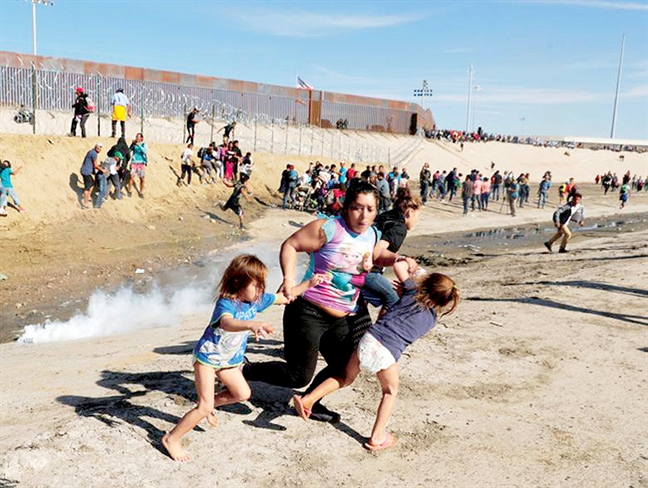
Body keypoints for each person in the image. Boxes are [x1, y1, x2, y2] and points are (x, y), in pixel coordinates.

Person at [243, 180, 417, 423]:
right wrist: (289, 280)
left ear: (377, 211)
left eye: (370, 209)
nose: (363, 215)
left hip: (342, 316)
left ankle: (311, 401)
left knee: (346, 367)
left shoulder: (373, 234)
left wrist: (399, 258)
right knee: (297, 375)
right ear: (346, 207)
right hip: (307, 311)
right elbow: (291, 245)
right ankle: (244, 370)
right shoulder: (329, 228)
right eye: (357, 207)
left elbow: (378, 255)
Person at [161, 254, 325, 462]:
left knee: (242, 393)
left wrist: (309, 284)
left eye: (262, 286)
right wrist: (251, 325)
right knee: (204, 406)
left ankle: (210, 405)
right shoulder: (226, 303)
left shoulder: (256, 300)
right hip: (207, 359)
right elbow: (227, 324)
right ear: (238, 282)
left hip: (229, 361)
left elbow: (285, 298)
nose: (260, 292)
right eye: (256, 286)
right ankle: (172, 438)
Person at [292, 262, 459, 452]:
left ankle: (308, 400)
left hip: (369, 339)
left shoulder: (412, 291)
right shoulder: (431, 320)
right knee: (389, 392)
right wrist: (412, 288)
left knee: (345, 378)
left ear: (426, 284)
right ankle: (377, 437)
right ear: (445, 302)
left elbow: (399, 266)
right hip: (387, 351)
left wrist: (416, 270)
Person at [362, 187, 422, 310]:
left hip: (354, 263)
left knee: (361, 304)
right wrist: (400, 259)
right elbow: (377, 251)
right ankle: (382, 329)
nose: (417, 221)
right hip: (368, 271)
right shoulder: (400, 228)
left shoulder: (385, 216)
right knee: (394, 300)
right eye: (418, 216)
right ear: (409, 212)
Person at [80, 143, 102, 209]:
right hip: (86, 172)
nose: (99, 149)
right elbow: (95, 165)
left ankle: (88, 196)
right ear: (95, 147)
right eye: (98, 148)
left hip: (86, 171)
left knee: (92, 184)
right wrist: (102, 170)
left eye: (100, 148)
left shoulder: (91, 152)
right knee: (87, 187)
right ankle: (85, 204)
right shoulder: (94, 154)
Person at [129, 133, 148, 198]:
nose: (136, 138)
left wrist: (139, 145)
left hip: (141, 163)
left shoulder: (143, 144)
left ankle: (141, 192)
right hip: (134, 162)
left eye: (138, 137)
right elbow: (129, 150)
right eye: (136, 137)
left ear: (141, 138)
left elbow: (145, 151)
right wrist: (132, 144)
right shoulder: (134, 144)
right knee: (131, 177)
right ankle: (130, 190)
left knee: (142, 178)